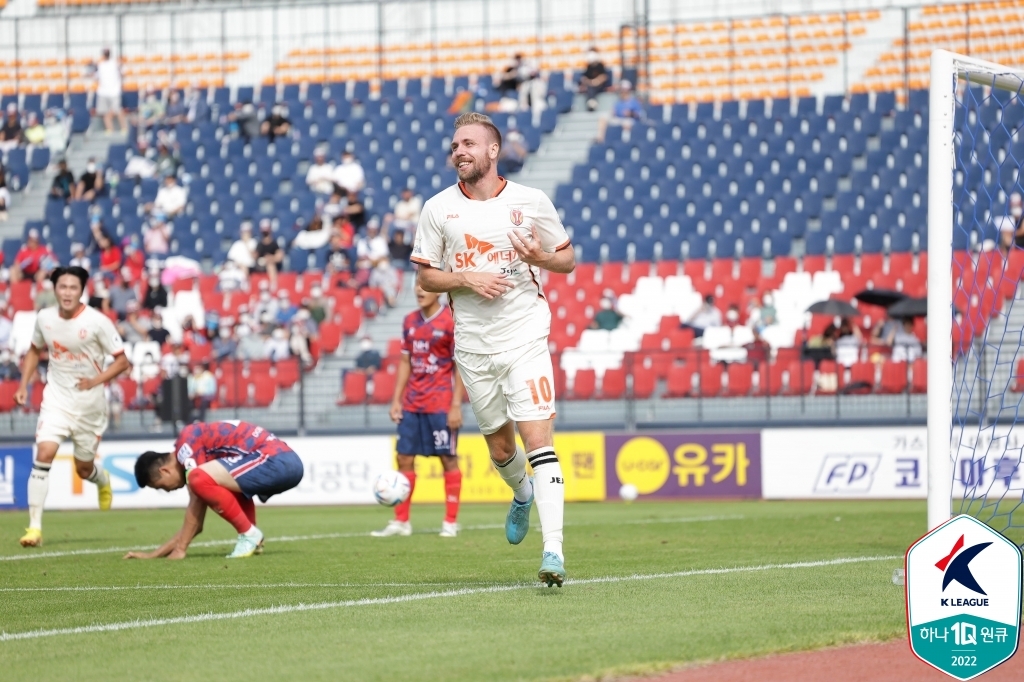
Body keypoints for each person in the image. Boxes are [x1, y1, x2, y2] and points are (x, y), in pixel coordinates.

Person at [412, 112, 575, 587]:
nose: (459, 151)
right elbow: (425, 276)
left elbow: (566, 259)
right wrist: (466, 277)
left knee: (538, 440)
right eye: (455, 144)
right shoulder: (438, 208)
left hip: (525, 337)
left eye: (468, 144)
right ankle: (520, 493)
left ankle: (554, 552)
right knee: (501, 449)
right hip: (474, 348)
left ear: (492, 151)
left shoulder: (531, 201)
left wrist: (541, 257)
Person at [15, 266, 131, 548]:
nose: (67, 292)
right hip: (56, 399)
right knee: (44, 453)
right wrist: (23, 384)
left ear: (82, 291)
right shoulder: (44, 318)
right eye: (62, 287)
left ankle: (101, 479)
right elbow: (34, 350)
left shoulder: (98, 322)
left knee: (83, 468)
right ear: (54, 289)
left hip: (89, 407)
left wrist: (95, 381)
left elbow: (122, 361)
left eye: (73, 288)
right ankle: (34, 528)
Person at [126, 421, 304, 560]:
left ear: (164, 471)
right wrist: (155, 554)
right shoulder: (195, 443)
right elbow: (195, 524)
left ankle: (249, 534)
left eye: (161, 487)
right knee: (220, 483)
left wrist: (180, 549)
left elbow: (196, 513)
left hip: (275, 460)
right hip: (287, 460)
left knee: (198, 479)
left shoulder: (185, 447)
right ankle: (253, 539)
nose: (167, 491)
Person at [373, 285, 465, 538]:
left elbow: (461, 366)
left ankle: (450, 521)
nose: (419, 290)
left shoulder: (450, 321)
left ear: (438, 291)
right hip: (413, 403)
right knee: (404, 458)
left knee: (447, 459)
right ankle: (401, 521)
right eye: (417, 284)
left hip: (440, 404)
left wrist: (456, 404)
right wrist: (396, 400)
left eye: (425, 286)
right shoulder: (409, 321)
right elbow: (405, 362)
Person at [95, 48, 127, 134]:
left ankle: (123, 128)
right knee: (106, 112)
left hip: (114, 91)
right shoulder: (101, 65)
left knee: (117, 110)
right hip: (104, 92)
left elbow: (123, 73)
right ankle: (110, 130)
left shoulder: (115, 64)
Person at [253, 219, 283, 289]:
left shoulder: (274, 244)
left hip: (271, 264)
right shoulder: (259, 244)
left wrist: (270, 258)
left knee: (270, 264)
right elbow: (255, 256)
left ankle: (273, 284)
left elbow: (279, 256)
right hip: (260, 266)